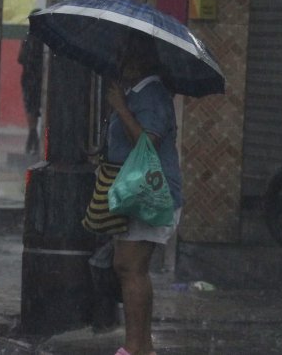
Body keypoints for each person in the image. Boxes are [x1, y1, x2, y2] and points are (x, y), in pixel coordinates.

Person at [104, 31, 182, 355]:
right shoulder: (141, 92)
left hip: (150, 193)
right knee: (130, 267)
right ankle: (140, 346)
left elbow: (148, 145)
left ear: (136, 59)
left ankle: (136, 347)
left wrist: (121, 108)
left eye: (123, 55)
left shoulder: (151, 94)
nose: (118, 63)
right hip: (137, 192)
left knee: (130, 267)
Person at [19, 12, 44, 155]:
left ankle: (32, 133)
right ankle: (34, 136)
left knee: (30, 107)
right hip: (38, 78)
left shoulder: (27, 38)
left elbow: (20, 58)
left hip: (29, 78)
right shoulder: (45, 38)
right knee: (36, 106)